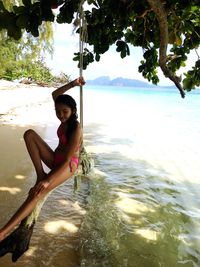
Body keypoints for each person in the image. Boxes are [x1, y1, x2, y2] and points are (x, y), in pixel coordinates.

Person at [0, 77, 85, 242]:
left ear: (73, 111)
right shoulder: (63, 112)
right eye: (58, 111)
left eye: (65, 112)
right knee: (29, 134)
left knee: (37, 193)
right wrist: (73, 84)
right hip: (55, 159)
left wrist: (48, 181)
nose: (61, 115)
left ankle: (3, 232)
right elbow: (56, 93)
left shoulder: (76, 128)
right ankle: (40, 173)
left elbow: (67, 159)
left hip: (67, 166)